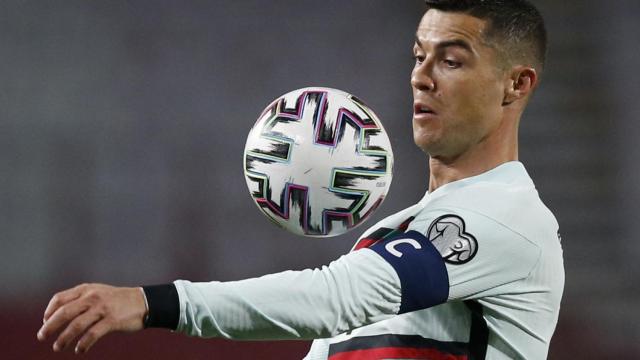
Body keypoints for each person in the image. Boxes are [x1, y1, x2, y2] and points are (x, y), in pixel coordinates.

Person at [37, 0, 564, 358]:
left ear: (516, 84)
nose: (420, 76)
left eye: (450, 60)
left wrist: (155, 301)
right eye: (418, 56)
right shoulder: (405, 231)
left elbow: (336, 298)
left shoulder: (507, 219)